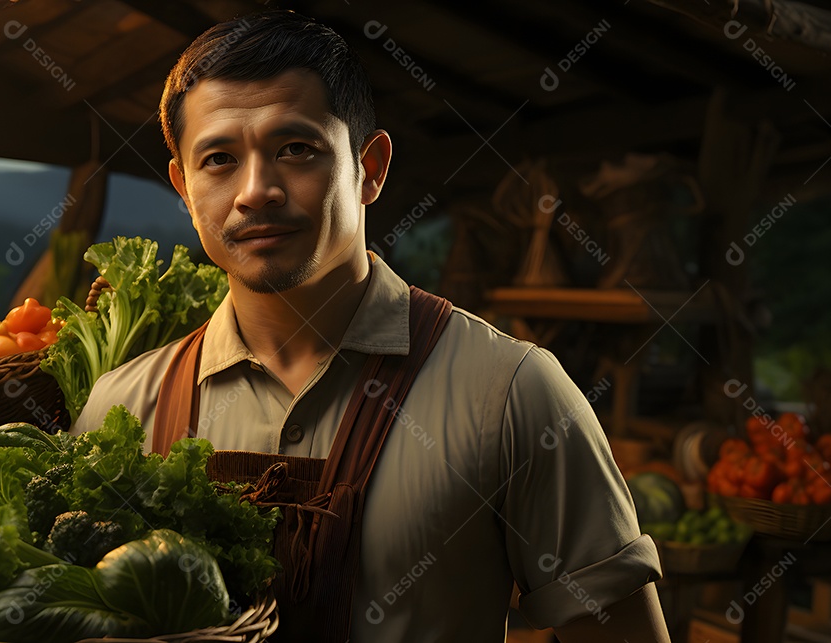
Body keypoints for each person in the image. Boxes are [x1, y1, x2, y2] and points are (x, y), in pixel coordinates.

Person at [73, 10, 668, 642]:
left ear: (371, 168)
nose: (257, 191)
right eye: (219, 159)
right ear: (185, 191)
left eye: (295, 149)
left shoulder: (513, 393)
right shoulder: (120, 409)